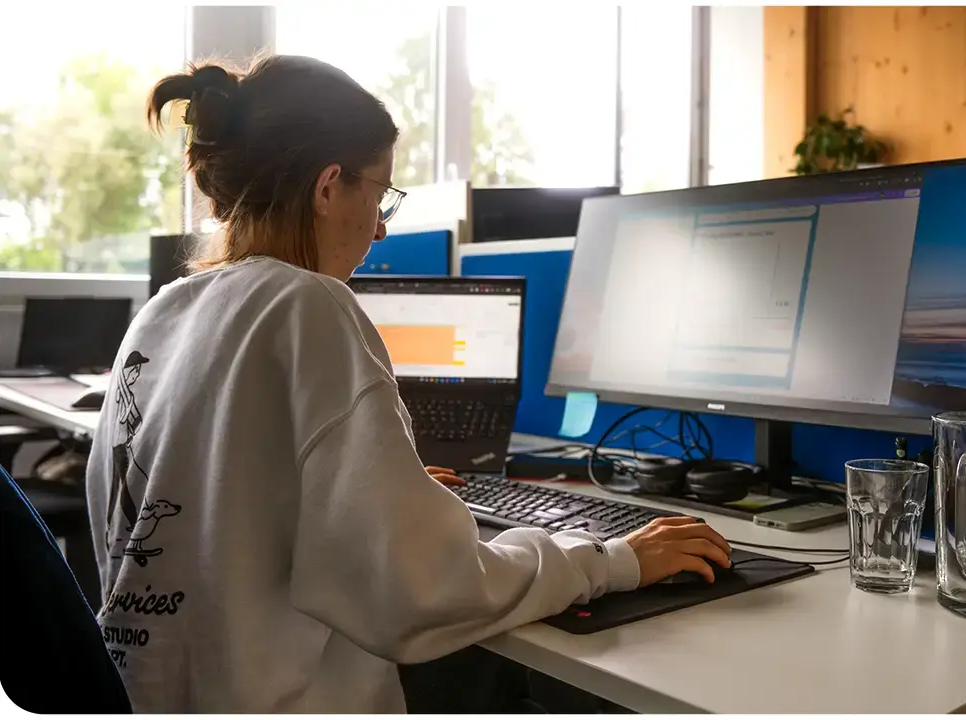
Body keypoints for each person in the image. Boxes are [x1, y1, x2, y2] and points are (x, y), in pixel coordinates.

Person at [83, 54, 732, 713]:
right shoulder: (309, 307)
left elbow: (209, 512)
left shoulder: (161, 314)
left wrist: (393, 495)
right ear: (329, 186)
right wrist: (616, 561)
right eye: (381, 193)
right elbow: (422, 592)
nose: (383, 226)